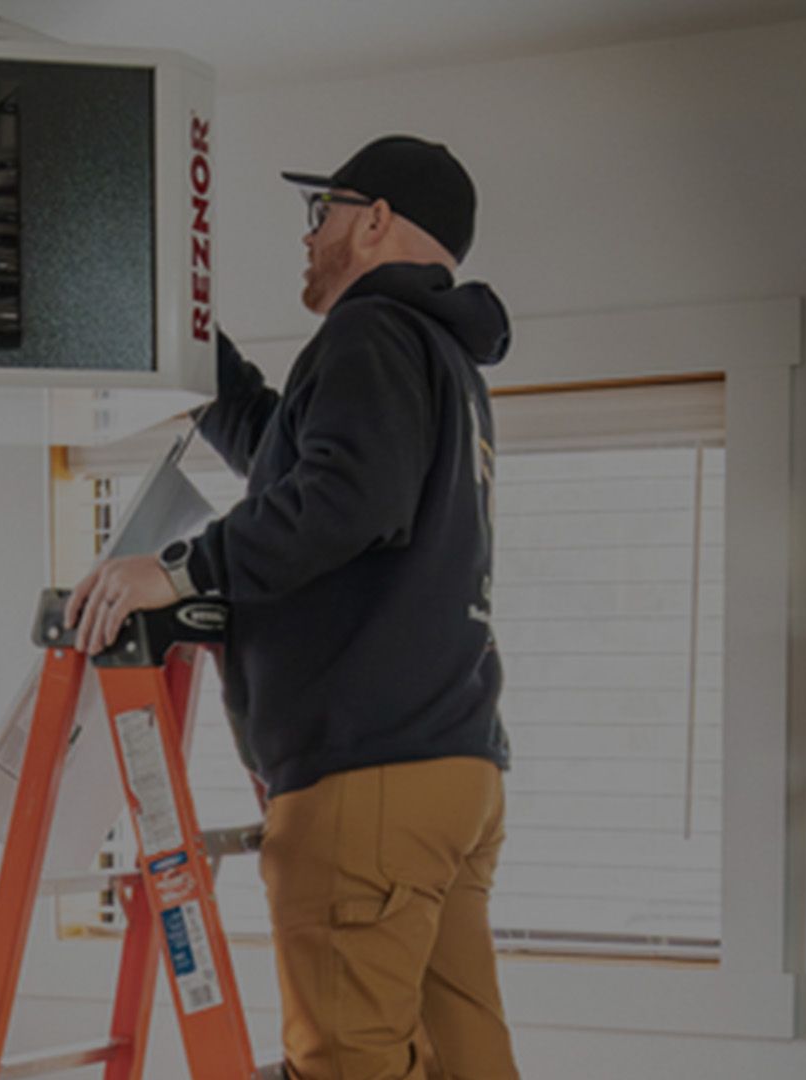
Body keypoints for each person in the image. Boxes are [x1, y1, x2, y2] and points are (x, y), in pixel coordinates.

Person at [64, 134, 517, 1080]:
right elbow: (292, 454)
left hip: (369, 778)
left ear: (376, 222)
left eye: (324, 213)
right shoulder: (440, 359)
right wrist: (185, 344)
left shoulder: (369, 332)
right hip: (451, 772)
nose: (309, 238)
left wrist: (179, 570)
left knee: (346, 1065)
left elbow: (341, 501)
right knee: (466, 1061)